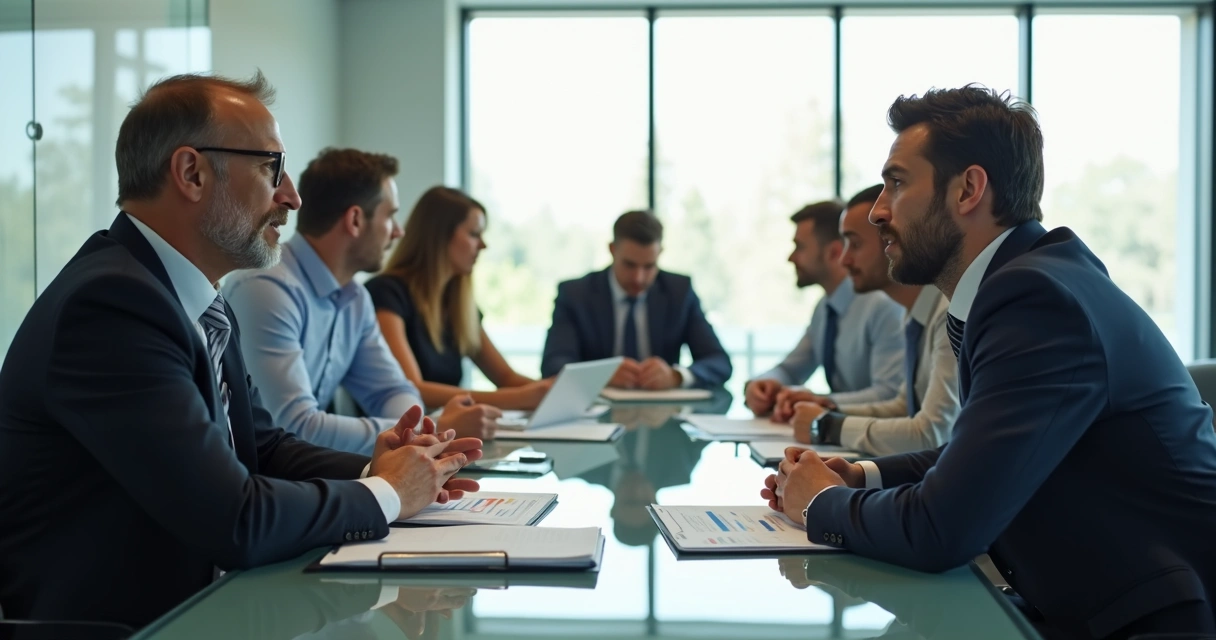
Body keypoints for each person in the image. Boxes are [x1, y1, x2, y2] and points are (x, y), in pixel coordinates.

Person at [0, 72, 483, 629]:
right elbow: (235, 520)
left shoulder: (192, 295)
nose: (292, 197)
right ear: (191, 173)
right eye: (270, 167)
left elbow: (264, 445)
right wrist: (389, 492)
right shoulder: (111, 306)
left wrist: (389, 467)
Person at [763, 86, 1216, 639]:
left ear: (969, 190)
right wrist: (862, 475)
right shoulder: (1030, 280)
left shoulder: (1036, 300)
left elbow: (942, 529)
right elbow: (974, 456)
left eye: (897, 182)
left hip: (1143, 619)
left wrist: (822, 504)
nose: (880, 210)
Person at [224, 148, 500, 451]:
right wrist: (428, 429)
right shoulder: (265, 288)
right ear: (355, 220)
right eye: (391, 215)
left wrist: (415, 430)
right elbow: (293, 428)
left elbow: (391, 391)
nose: (398, 231)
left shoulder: (356, 298)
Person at [779, 184, 960, 456]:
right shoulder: (916, 312)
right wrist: (829, 407)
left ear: (892, 242)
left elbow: (932, 433)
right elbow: (904, 404)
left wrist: (827, 425)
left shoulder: (946, 314)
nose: (844, 259)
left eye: (855, 244)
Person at [365, 187, 551, 413]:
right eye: (474, 234)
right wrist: (516, 399)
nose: (483, 245)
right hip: (403, 438)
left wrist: (552, 391)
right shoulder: (385, 293)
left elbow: (505, 376)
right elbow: (412, 389)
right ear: (439, 236)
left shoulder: (457, 304)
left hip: (444, 435)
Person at [745, 201, 905, 417]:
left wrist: (821, 401)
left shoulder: (883, 306)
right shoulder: (825, 309)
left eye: (800, 247)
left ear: (833, 253)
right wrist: (762, 385)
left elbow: (890, 394)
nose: (791, 257)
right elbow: (789, 370)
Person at [541, 210, 732, 390]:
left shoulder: (679, 292)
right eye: (629, 265)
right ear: (612, 250)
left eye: (649, 266)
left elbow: (719, 362)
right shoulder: (576, 294)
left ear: (660, 253)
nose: (638, 278)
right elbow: (553, 364)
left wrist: (676, 376)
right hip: (593, 417)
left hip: (663, 417)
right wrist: (600, 375)